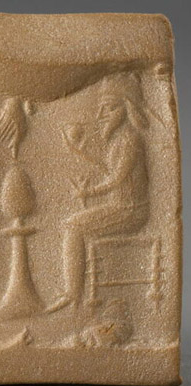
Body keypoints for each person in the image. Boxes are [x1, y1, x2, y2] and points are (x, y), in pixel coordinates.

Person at [53, 73, 150, 310]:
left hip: (130, 210)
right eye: (102, 108)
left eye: (110, 108)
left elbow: (116, 179)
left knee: (73, 226)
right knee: (73, 225)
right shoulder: (120, 139)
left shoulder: (129, 140)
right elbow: (112, 171)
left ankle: (73, 294)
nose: (101, 115)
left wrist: (89, 193)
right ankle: (74, 293)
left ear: (126, 109)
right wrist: (79, 150)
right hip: (121, 207)